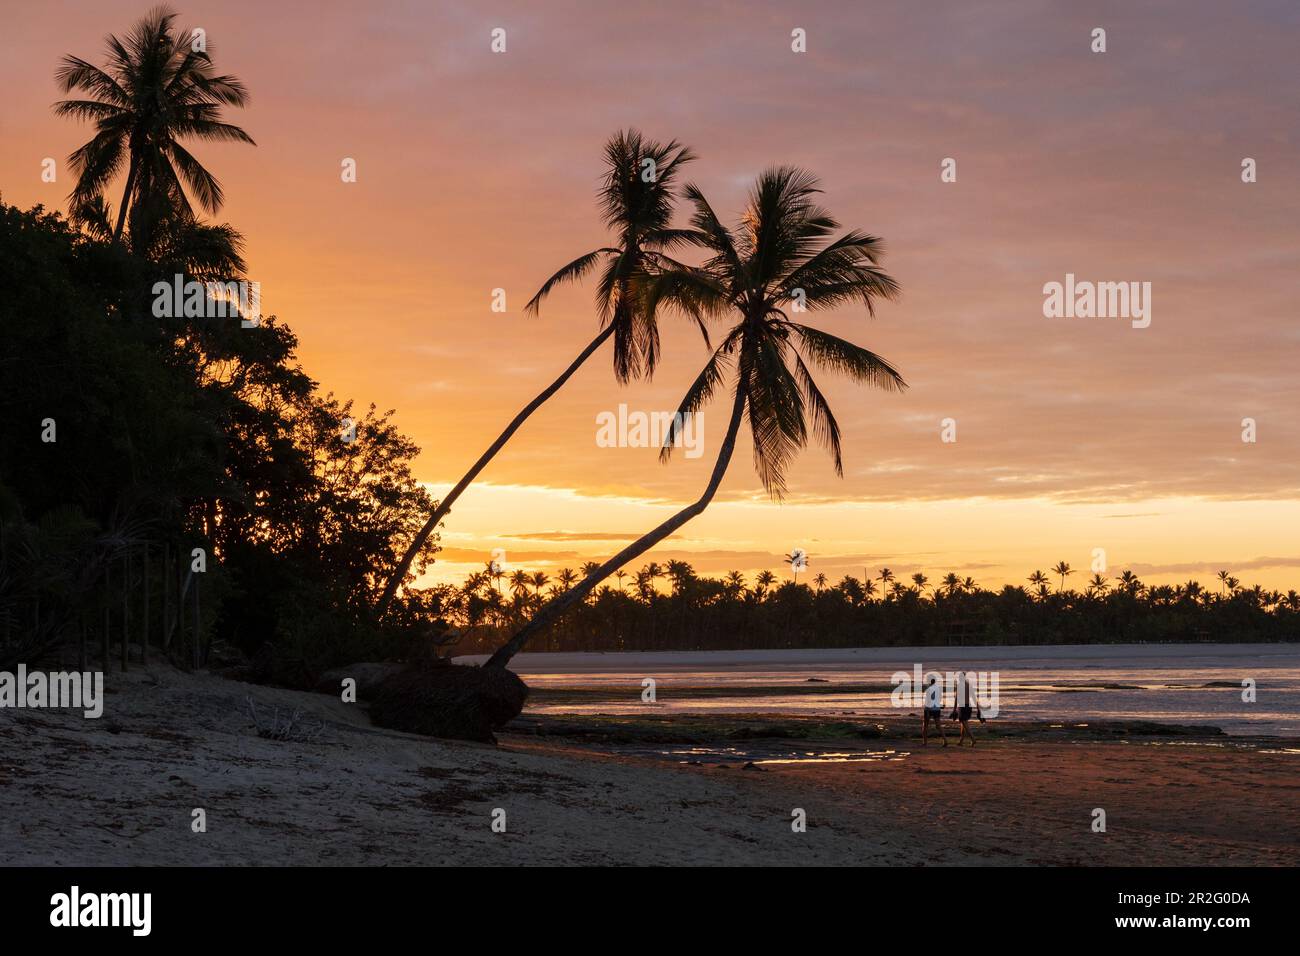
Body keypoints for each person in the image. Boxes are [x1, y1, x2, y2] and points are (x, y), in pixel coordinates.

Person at [951, 671, 983, 746]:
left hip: (962, 707)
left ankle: (973, 739)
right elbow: (974, 698)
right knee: (963, 724)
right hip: (969, 706)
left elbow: (956, 698)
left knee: (965, 724)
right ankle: (961, 741)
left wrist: (954, 709)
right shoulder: (969, 685)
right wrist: (978, 708)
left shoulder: (959, 685)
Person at [921, 675, 946, 746]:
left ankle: (925, 742)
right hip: (936, 709)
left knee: (925, 725)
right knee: (938, 726)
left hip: (929, 709)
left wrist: (928, 711)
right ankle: (945, 740)